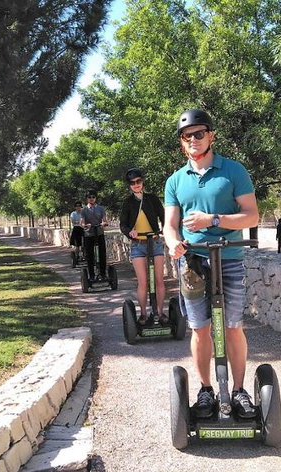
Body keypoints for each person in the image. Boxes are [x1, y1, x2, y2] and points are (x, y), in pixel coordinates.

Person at [163, 108, 260, 420]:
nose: (194, 139)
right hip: (193, 261)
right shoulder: (175, 181)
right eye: (187, 136)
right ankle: (206, 389)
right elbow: (170, 224)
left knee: (233, 326)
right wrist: (172, 241)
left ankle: (239, 390)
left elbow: (252, 215)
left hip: (229, 257)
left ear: (211, 136)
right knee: (200, 328)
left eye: (199, 133)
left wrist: (213, 220)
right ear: (182, 142)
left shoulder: (233, 171)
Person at [119, 167, 167, 325]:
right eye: (132, 183)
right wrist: (129, 232)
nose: (136, 185)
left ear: (143, 181)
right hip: (138, 245)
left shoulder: (152, 199)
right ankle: (144, 315)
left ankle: (160, 313)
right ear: (129, 185)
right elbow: (123, 225)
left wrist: (165, 229)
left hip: (155, 243)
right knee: (143, 282)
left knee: (159, 280)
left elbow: (163, 216)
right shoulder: (128, 202)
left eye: (138, 181)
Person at [81, 189, 108, 282]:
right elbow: (82, 221)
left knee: (102, 254)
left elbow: (104, 219)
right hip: (89, 234)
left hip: (99, 233)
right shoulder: (84, 210)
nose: (91, 199)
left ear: (96, 198)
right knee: (89, 255)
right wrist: (85, 225)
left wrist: (104, 223)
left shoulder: (101, 208)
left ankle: (103, 274)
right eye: (89, 197)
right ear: (86, 199)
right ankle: (91, 275)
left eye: (93, 197)